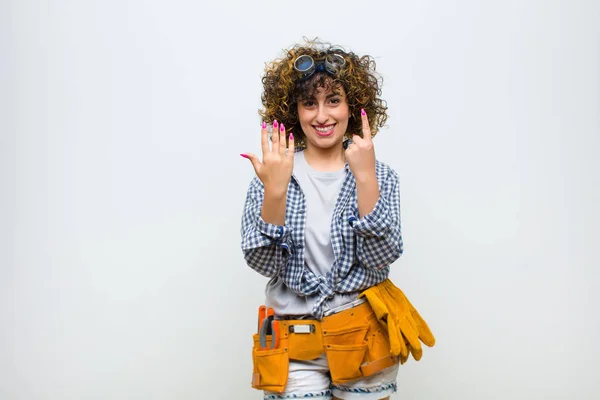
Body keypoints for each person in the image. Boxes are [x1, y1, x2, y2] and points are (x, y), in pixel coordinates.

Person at [241, 39, 404, 400]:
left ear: (353, 106)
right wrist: (276, 192)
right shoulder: (274, 173)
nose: (322, 115)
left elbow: (380, 258)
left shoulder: (381, 175)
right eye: (309, 103)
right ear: (293, 111)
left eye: (333, 100)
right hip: (294, 340)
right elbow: (263, 262)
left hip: (362, 336)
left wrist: (365, 179)